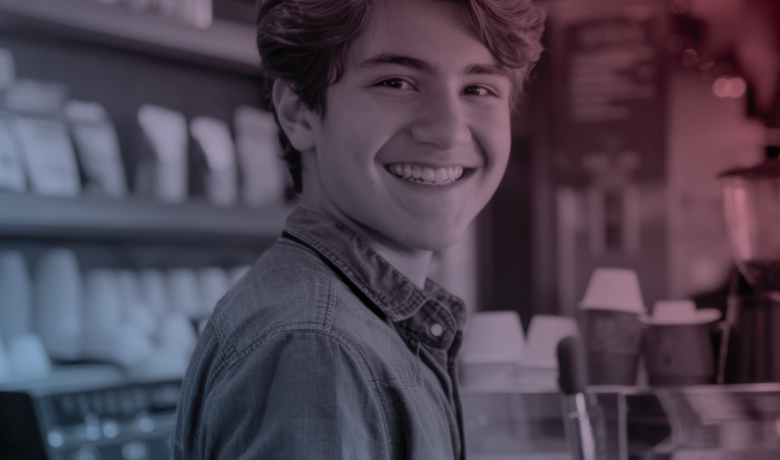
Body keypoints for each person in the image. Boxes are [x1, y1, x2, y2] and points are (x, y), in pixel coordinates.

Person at [172, 0, 544, 457]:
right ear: (298, 113)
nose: (449, 132)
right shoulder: (318, 349)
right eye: (396, 82)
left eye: (479, 89)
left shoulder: (361, 328)